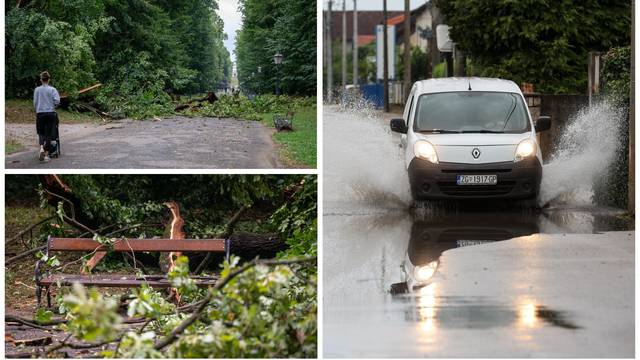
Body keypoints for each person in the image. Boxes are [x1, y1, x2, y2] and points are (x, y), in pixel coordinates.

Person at [33, 71, 60, 162]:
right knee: (49, 134)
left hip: (40, 113)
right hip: (50, 113)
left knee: (41, 132)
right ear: (49, 79)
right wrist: (53, 105)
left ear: (41, 80)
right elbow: (57, 101)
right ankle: (46, 153)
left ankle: (41, 148)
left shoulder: (37, 90)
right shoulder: (52, 89)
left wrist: (37, 110)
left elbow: (35, 102)